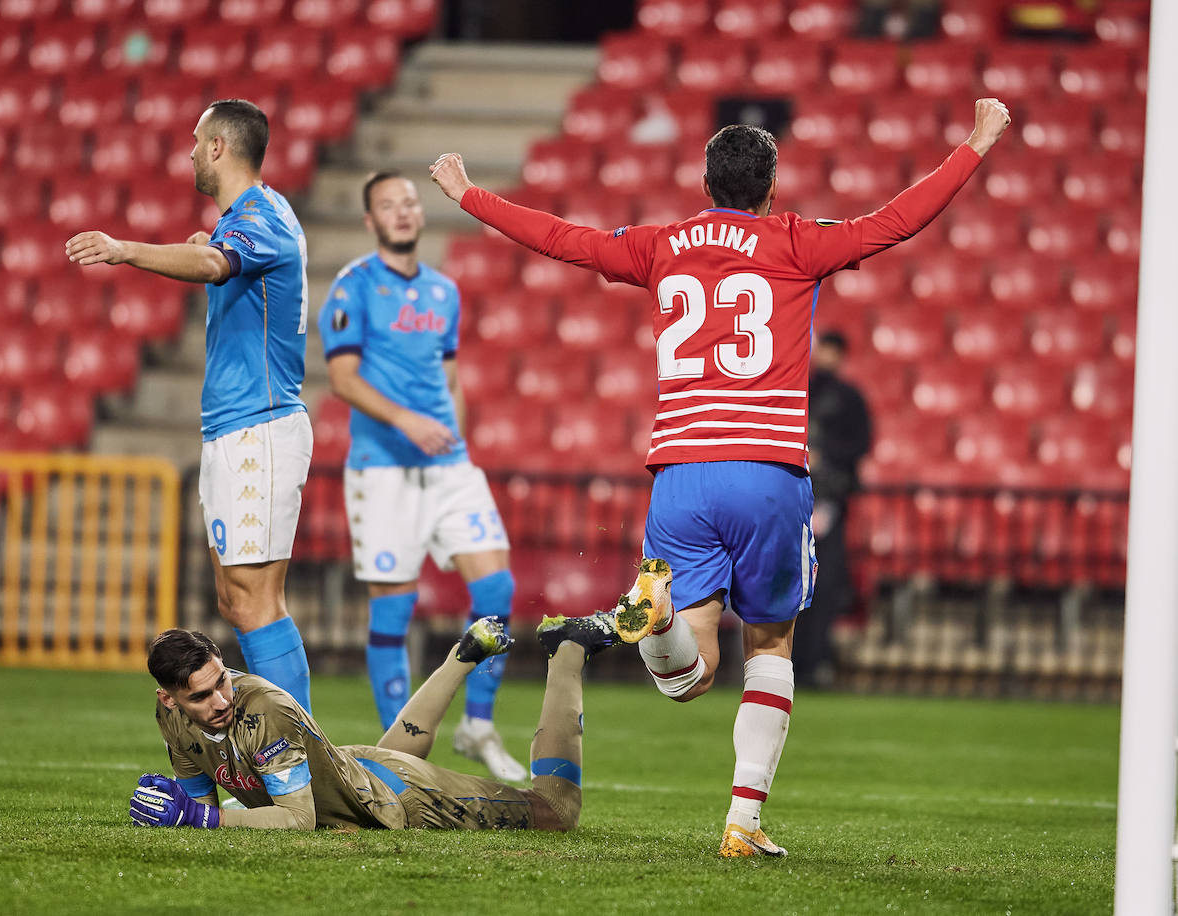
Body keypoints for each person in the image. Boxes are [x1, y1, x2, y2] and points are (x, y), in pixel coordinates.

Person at [430, 97, 1013, 857]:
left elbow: (564, 241)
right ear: (772, 188)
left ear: (706, 187)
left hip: (680, 472)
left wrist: (470, 194)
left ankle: (661, 616)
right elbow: (897, 220)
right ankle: (743, 821)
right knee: (770, 643)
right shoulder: (798, 241)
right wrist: (974, 143)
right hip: (766, 470)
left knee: (689, 676)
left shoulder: (662, 245)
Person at [66, 99, 314, 711]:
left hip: (258, 428)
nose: (189, 152)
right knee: (234, 600)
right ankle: (287, 749)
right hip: (236, 428)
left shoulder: (259, 216)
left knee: (255, 601)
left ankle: (297, 758)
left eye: (195, 140)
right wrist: (212, 242)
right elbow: (227, 255)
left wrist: (123, 249)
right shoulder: (260, 213)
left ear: (219, 148)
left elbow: (213, 264)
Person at [315, 171, 524, 781]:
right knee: (393, 610)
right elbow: (344, 378)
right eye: (388, 205)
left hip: (448, 466)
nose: (403, 212)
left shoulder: (443, 291)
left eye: (409, 202)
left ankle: (477, 724)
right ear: (370, 221)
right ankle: (397, 751)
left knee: (497, 591)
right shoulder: (353, 287)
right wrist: (409, 423)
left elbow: (451, 377)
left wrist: (453, 434)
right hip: (383, 471)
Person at [128, 612, 618, 831]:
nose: (220, 699)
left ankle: (567, 649)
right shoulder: (168, 718)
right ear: (168, 700)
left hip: (399, 798)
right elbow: (198, 796)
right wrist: (185, 814)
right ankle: (464, 655)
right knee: (377, 763)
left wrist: (201, 819)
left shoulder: (263, 710)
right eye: (201, 695)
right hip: (355, 770)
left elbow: (298, 821)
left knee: (555, 811)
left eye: (222, 680)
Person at [798, 331, 872, 688]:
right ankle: (790, 660)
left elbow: (861, 445)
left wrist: (828, 459)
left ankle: (816, 660)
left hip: (830, 502)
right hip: (797, 499)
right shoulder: (799, 390)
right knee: (793, 579)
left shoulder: (849, 399)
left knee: (824, 583)